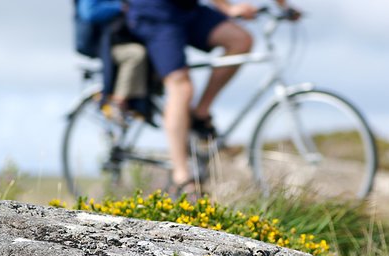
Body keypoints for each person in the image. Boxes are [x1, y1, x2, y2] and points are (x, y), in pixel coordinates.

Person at [126, 0, 298, 194]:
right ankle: (181, 176)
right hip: (154, 12)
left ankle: (200, 113)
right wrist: (228, 8)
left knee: (240, 40)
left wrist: (284, 7)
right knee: (181, 86)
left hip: (186, 9)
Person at [77, 0, 149, 119]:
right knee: (136, 54)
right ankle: (118, 102)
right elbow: (89, 12)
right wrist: (120, 7)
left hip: (122, 40)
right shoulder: (118, 7)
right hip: (104, 44)